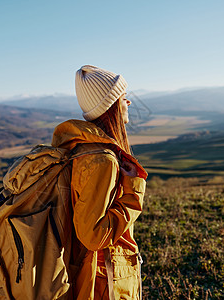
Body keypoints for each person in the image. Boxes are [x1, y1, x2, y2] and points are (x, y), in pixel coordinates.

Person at [51, 65, 147, 299]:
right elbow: (94, 236)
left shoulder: (84, 147)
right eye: (124, 98)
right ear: (111, 106)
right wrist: (133, 193)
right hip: (106, 281)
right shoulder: (102, 160)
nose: (129, 103)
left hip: (101, 274)